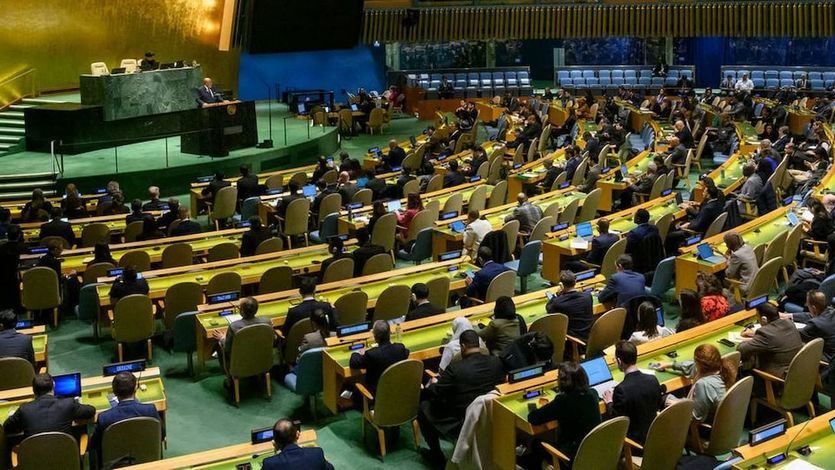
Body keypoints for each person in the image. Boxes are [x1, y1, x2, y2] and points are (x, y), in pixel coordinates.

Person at [417, 329, 505, 465]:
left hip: (461, 418)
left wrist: (430, 386)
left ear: (463, 347)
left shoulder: (456, 369)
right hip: (492, 414)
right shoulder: (496, 362)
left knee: (423, 407)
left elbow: (437, 392)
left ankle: (436, 454)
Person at [528, 362, 601, 462]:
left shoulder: (562, 401)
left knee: (536, 443)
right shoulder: (593, 393)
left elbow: (533, 418)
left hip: (570, 457)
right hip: (593, 453)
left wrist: (536, 408)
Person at [91, 371, 163, 461]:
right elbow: (161, 435)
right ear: (135, 389)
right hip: (147, 460)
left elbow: (94, 445)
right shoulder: (150, 410)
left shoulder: (104, 418)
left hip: (115, 464)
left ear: (114, 392)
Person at [603, 341, 664, 444]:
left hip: (634, 444)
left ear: (619, 361)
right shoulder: (653, 380)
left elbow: (616, 419)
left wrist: (609, 402)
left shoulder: (621, 390)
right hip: (654, 436)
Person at [3, 373, 96, 438]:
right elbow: (91, 411)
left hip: (35, 461)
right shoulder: (68, 404)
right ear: (53, 387)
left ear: (34, 391)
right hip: (66, 458)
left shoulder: (24, 409)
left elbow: (7, 427)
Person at [663, 344, 737, 422]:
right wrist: (670, 365)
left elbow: (695, 417)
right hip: (718, 419)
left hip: (703, 427)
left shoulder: (704, 384)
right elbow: (692, 366)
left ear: (699, 364)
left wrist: (676, 403)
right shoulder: (720, 370)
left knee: (664, 399)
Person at [738, 302, 803, 379]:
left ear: (764, 319)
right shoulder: (789, 323)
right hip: (798, 371)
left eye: (757, 317)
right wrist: (755, 335)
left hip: (778, 379)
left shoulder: (765, 333)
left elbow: (741, 349)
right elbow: (776, 335)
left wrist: (747, 341)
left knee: (743, 366)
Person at [349, 320, 409, 394]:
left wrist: (356, 353)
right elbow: (406, 352)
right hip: (399, 392)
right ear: (389, 333)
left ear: (375, 336)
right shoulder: (400, 348)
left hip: (376, 396)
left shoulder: (371, 354)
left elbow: (354, 363)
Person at [262, 419, 334, 470]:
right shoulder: (317, 453)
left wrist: (276, 453)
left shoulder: (269, 464)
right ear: (297, 434)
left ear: (275, 441)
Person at [546, 270, 594, 341]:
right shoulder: (587, 296)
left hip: (575, 339)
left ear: (561, 285)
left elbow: (549, 308)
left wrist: (556, 295)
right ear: (575, 282)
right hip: (590, 335)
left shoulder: (558, 302)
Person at [789, 290, 835, 362]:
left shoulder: (815, 324)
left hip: (828, 359)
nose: (805, 305)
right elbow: (811, 315)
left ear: (813, 308)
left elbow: (795, 334)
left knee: (793, 344)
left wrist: (784, 323)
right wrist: (789, 315)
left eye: (807, 304)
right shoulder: (831, 310)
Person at [724, 231, 759, 296]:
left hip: (745, 287)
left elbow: (729, 274)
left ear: (729, 245)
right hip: (756, 283)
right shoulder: (748, 247)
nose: (726, 245)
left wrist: (728, 260)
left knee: (721, 278)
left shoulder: (736, 255)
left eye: (726, 244)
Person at [0, 226, 23, 311]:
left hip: (3, 276)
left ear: (7, 235)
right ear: (19, 236)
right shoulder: (22, 248)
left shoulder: (1, 248)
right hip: (14, 276)